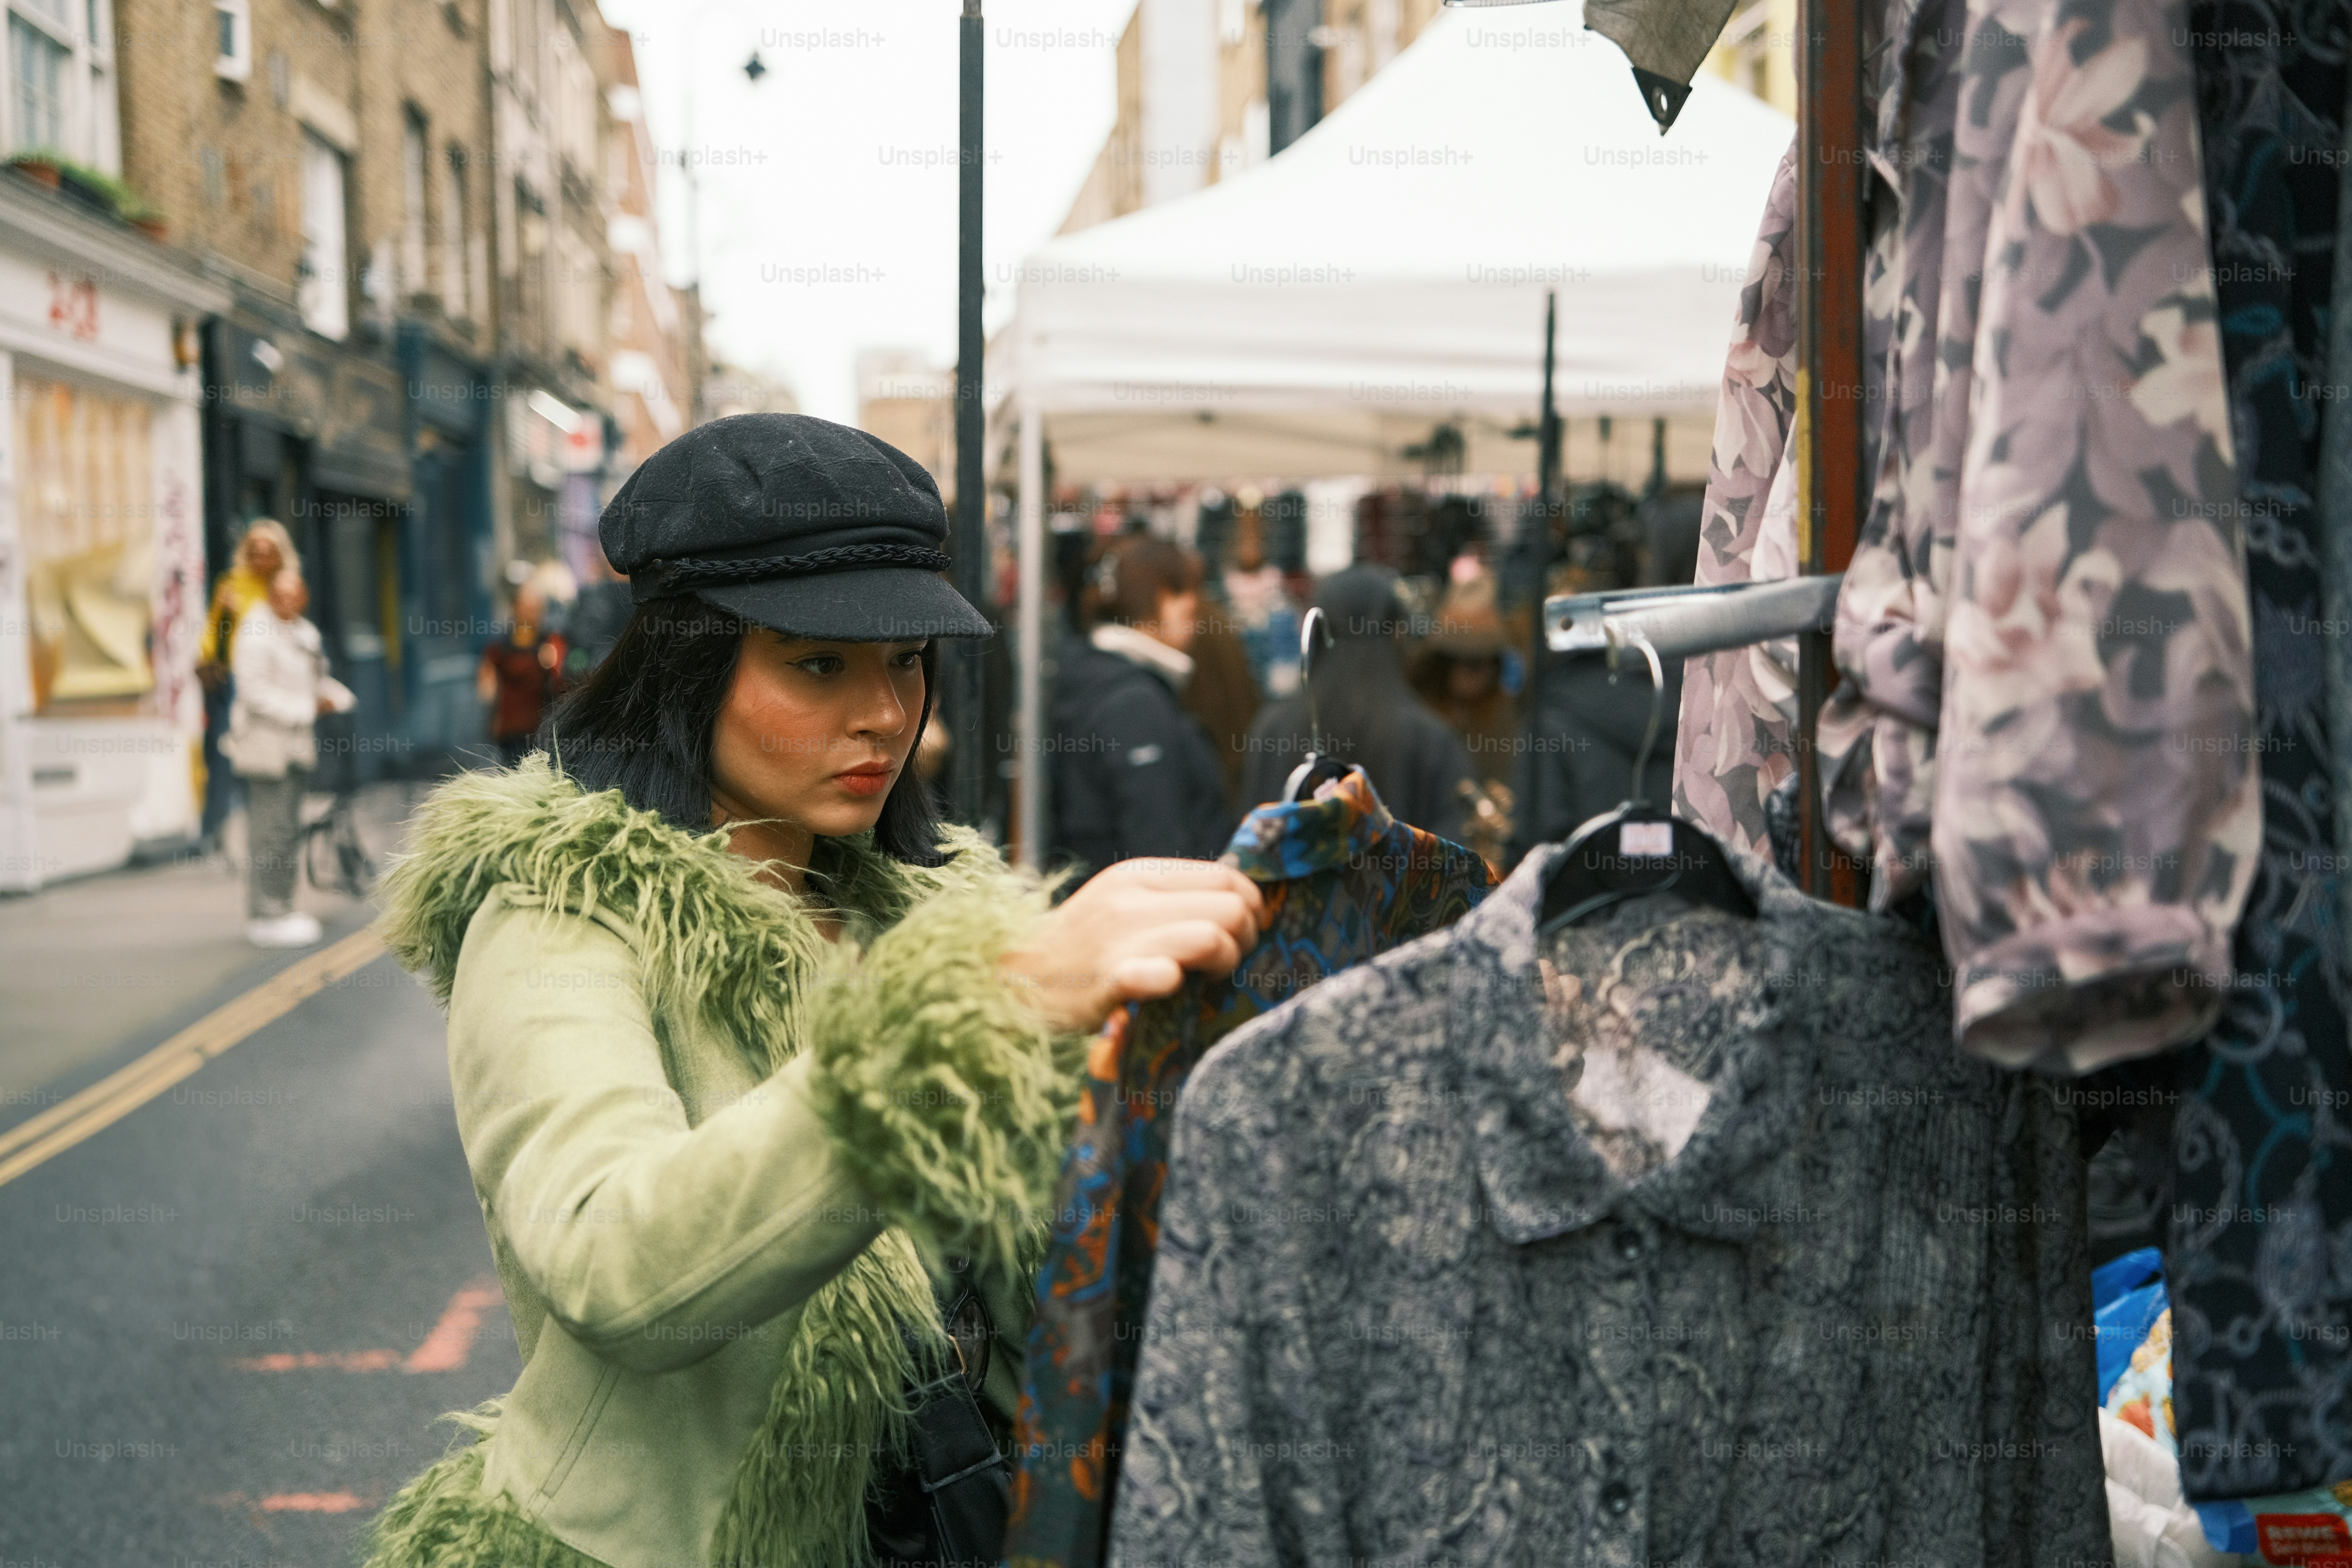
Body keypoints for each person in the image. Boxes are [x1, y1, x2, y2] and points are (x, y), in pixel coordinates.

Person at [362, 415, 1262, 1568]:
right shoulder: (557, 910)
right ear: (687, 666)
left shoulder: (936, 913)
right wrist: (974, 1020)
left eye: (905, 661)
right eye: (818, 663)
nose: (885, 713)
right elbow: (614, 1263)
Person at [1237, 565, 1479, 841]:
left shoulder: (1274, 730)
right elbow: (1457, 852)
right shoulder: (1430, 740)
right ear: (1397, 633)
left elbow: (1250, 844)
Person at [1047, 535, 1235, 876]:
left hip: (1106, 903)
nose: (1196, 611)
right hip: (1151, 911)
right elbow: (1158, 842)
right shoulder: (1135, 702)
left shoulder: (1094, 677)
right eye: (1189, 596)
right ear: (1164, 598)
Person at [220, 568, 353, 948]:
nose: (286, 600)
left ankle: (282, 906)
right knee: (269, 833)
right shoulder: (255, 632)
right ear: (270, 595)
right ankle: (266, 912)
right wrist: (307, 707)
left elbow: (314, 679)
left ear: (304, 597)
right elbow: (254, 692)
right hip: (266, 749)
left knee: (288, 830)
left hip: (296, 747)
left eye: (293, 593)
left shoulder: (304, 633)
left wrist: (333, 697)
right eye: (279, 593)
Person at [194, 519, 296, 849]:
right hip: (237, 682)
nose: (261, 560)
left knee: (273, 757)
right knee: (227, 755)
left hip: (280, 683)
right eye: (255, 553)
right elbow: (213, 633)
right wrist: (209, 659)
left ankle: (270, 829)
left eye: (269, 553)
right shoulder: (232, 584)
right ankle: (217, 831)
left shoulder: (285, 587)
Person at [476, 580, 567, 766]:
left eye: (537, 609)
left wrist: (554, 666)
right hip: (509, 732)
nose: (533, 614)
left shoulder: (550, 643)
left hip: (540, 731)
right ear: (515, 607)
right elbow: (486, 685)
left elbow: (563, 685)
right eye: (528, 608)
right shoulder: (500, 647)